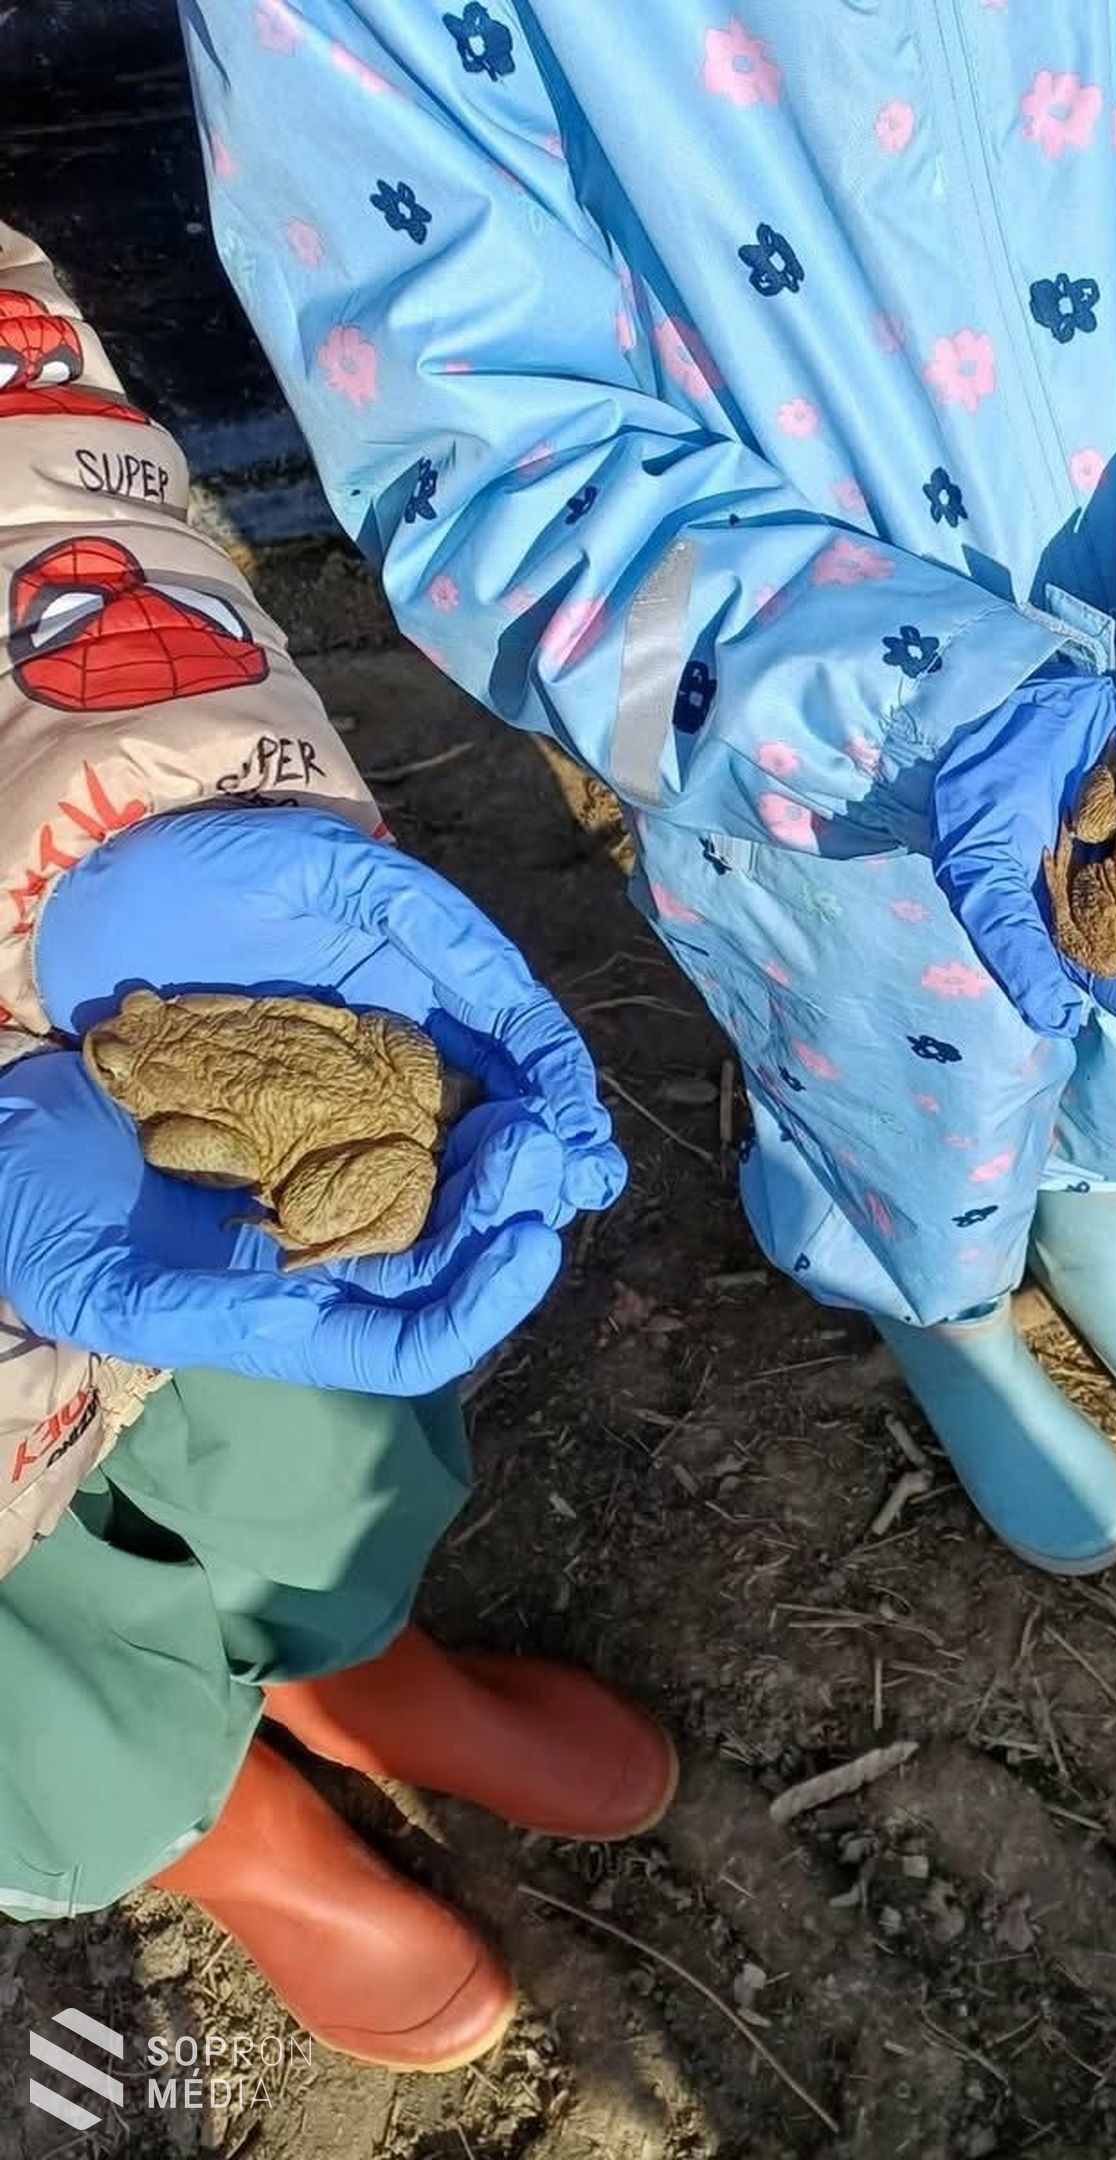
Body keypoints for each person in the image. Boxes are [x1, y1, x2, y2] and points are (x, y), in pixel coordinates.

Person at [180, 2, 1116, 1575]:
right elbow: (484, 452)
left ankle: (1106, 1217)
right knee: (907, 1079)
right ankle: (940, 1302)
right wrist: (916, 706)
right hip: (796, 737)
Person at [0, 220, 661, 2067]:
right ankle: (221, 1830)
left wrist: (163, 809)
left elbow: (33, 481)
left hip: (60, 986)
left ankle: (347, 1657)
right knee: (28, 1691)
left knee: (289, 1389)